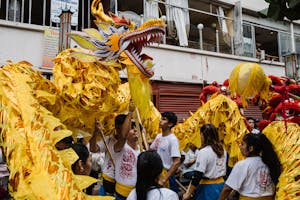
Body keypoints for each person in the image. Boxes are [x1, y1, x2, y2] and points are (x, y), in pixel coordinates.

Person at [218, 133, 281, 200]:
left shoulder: (242, 165)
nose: (240, 146)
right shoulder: (269, 163)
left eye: (242, 144)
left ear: (251, 148)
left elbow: (227, 188)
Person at [183, 124, 227, 200]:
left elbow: (198, 175)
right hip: (221, 184)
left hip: (207, 188)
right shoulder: (222, 150)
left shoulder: (204, 152)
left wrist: (188, 193)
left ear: (204, 136)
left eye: (200, 135)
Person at [88, 114, 129, 196]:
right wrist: (95, 132)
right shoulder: (109, 139)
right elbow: (93, 149)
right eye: (126, 126)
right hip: (108, 180)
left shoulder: (131, 141)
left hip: (124, 182)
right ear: (117, 127)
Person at [150, 112, 181, 192]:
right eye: (161, 118)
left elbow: (177, 162)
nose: (160, 121)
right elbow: (151, 150)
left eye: (164, 119)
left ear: (170, 124)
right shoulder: (158, 136)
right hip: (156, 174)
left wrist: (164, 179)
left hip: (167, 176)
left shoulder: (172, 139)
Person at [114, 118, 140, 200]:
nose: (135, 130)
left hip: (137, 193)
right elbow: (123, 136)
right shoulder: (121, 146)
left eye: (136, 127)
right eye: (132, 128)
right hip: (121, 193)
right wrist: (130, 112)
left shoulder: (143, 149)